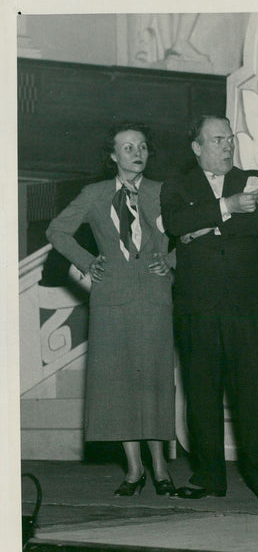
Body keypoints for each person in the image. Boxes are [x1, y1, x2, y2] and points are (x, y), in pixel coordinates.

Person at [160, 114, 258, 500]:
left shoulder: (253, 179)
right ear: (197, 147)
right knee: (200, 393)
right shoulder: (177, 185)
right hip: (197, 305)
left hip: (246, 304)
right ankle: (207, 477)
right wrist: (230, 206)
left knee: (255, 392)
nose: (227, 145)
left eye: (229, 138)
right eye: (217, 140)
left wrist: (212, 223)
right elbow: (174, 223)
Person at [46, 122, 177, 497]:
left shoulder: (163, 193)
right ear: (113, 156)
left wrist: (171, 260)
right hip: (111, 301)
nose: (137, 153)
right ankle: (134, 470)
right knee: (118, 385)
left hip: (154, 297)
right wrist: (87, 262)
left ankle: (161, 466)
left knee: (154, 382)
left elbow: (191, 234)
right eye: (128, 147)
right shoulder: (94, 194)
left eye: (143, 146)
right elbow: (57, 230)